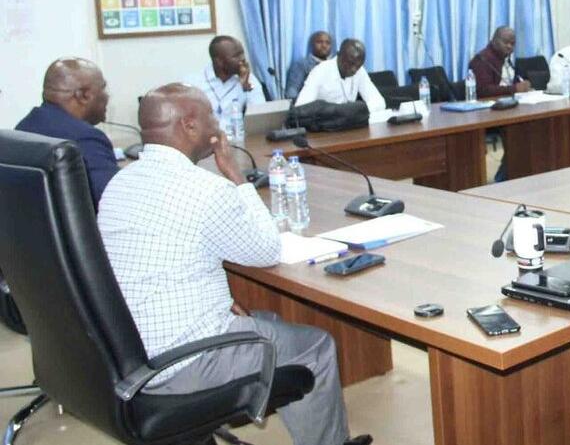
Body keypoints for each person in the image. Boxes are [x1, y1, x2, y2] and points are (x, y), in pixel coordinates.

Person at [97, 84, 370, 445]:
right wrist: (237, 177)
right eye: (211, 115)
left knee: (269, 321)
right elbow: (267, 249)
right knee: (315, 347)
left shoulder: (119, 184)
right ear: (190, 125)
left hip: (128, 354)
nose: (217, 124)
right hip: (184, 364)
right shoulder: (205, 189)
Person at [16, 58, 118, 205]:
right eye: (103, 88)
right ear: (83, 95)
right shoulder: (86, 138)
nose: (107, 96)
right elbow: (115, 203)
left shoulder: (24, 127)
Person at [294, 39, 386, 115]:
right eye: (350, 63)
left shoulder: (360, 71)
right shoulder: (320, 71)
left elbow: (379, 102)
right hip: (325, 126)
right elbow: (301, 108)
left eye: (358, 66)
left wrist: (356, 111)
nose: (354, 70)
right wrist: (335, 113)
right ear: (339, 55)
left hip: (350, 125)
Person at [186, 35, 265, 116]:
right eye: (236, 56)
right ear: (219, 61)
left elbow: (259, 113)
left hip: (236, 124)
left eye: (242, 54)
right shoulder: (193, 82)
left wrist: (246, 86)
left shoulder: (249, 79)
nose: (242, 59)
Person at [468, 26, 531, 98]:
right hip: (489, 103)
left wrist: (524, 85)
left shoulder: (504, 57)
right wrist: (515, 88)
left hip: (509, 100)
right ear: (494, 41)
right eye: (505, 42)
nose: (509, 46)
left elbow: (511, 82)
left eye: (512, 43)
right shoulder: (482, 59)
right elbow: (483, 90)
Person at [285, 30, 333, 100]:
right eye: (319, 42)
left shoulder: (334, 65)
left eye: (327, 43)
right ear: (312, 44)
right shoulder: (302, 64)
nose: (324, 46)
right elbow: (292, 91)